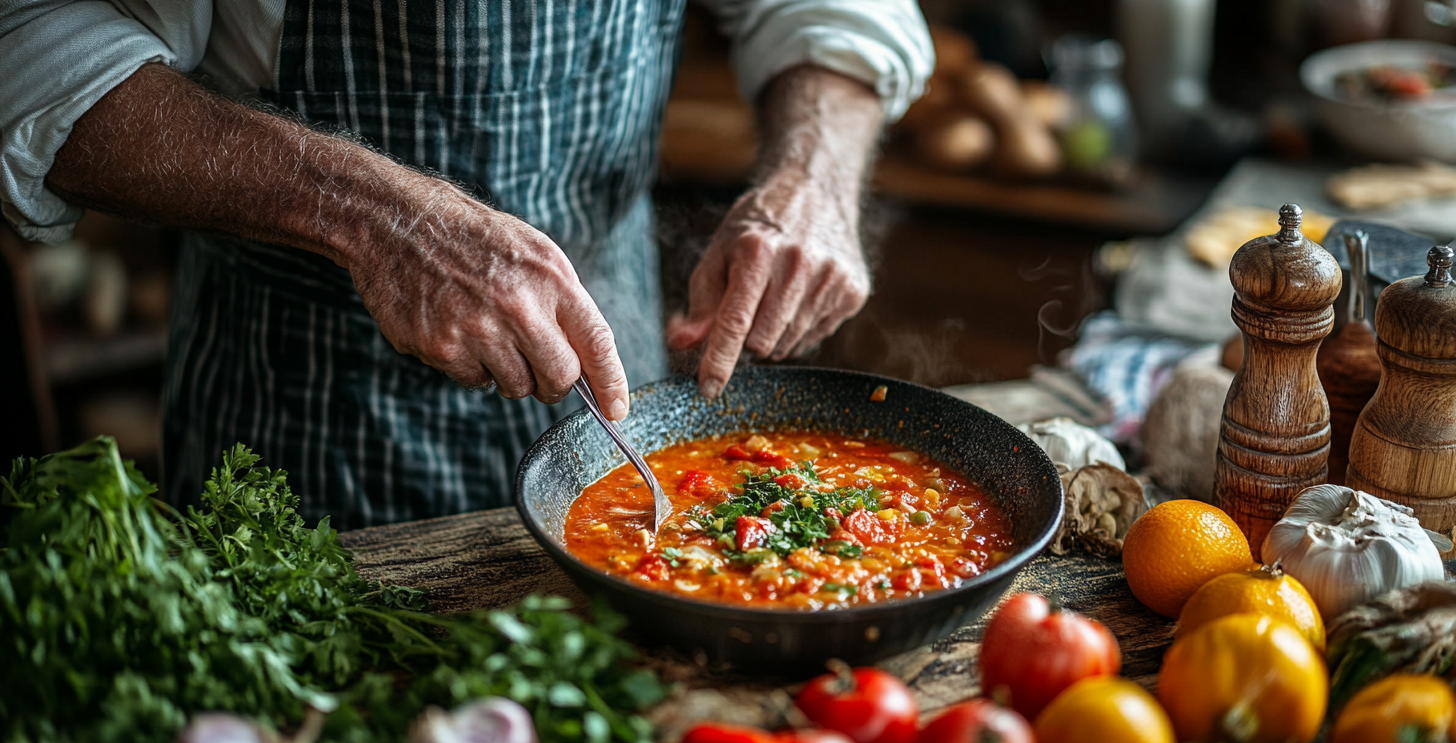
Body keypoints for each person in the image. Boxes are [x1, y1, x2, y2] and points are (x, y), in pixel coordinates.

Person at [0, 1, 933, 528]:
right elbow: (30, 45)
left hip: (622, 385)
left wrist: (812, 174)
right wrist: (373, 214)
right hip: (304, 410)